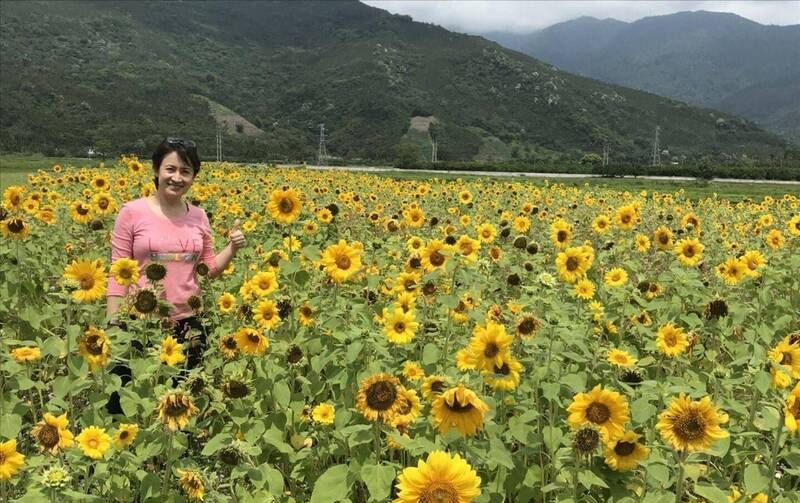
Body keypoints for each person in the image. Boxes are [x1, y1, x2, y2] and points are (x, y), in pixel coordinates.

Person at [105, 137, 245, 414]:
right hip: (139, 325)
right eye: (171, 169)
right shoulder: (132, 213)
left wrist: (232, 247)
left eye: (186, 171)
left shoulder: (199, 217)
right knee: (129, 406)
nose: (177, 177)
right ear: (156, 169)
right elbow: (117, 272)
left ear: (194, 176)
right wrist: (113, 325)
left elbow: (208, 270)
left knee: (179, 407)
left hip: (188, 324)